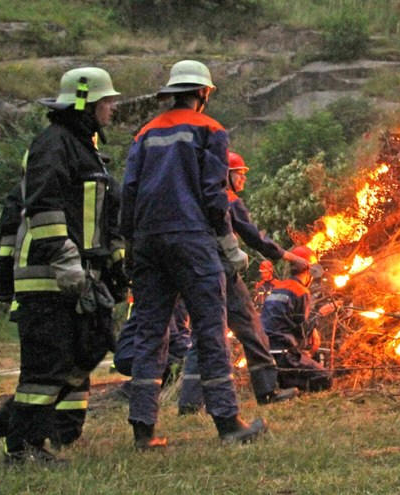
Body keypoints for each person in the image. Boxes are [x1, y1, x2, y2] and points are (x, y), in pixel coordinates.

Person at [120, 60, 265, 448]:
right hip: (192, 240)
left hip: (149, 241)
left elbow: (129, 192)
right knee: (210, 327)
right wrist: (227, 241)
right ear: (203, 93)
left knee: (151, 332)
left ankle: (142, 428)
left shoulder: (145, 134)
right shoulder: (210, 130)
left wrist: (130, 245)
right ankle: (227, 422)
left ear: (172, 93)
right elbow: (214, 193)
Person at [0, 66, 126, 465]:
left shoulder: (85, 148)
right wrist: (66, 259)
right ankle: (21, 447)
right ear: (84, 103)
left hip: (80, 275)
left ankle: (47, 430)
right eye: (107, 101)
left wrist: (112, 268)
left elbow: (100, 218)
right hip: (49, 276)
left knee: (83, 353)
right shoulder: (53, 145)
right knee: (47, 364)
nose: (113, 108)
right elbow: (45, 205)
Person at [178, 150, 304, 413]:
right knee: (251, 328)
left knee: (204, 335)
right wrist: (290, 256)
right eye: (240, 174)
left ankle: (189, 403)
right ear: (226, 175)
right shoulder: (229, 200)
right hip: (224, 273)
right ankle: (267, 391)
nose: (244, 179)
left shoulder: (194, 200)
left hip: (197, 274)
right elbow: (255, 237)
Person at [259, 245, 333, 392]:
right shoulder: (301, 291)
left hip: (266, 354)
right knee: (325, 378)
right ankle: (291, 385)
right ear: (310, 271)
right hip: (284, 356)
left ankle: (286, 381)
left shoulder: (279, 287)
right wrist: (320, 314)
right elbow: (302, 331)